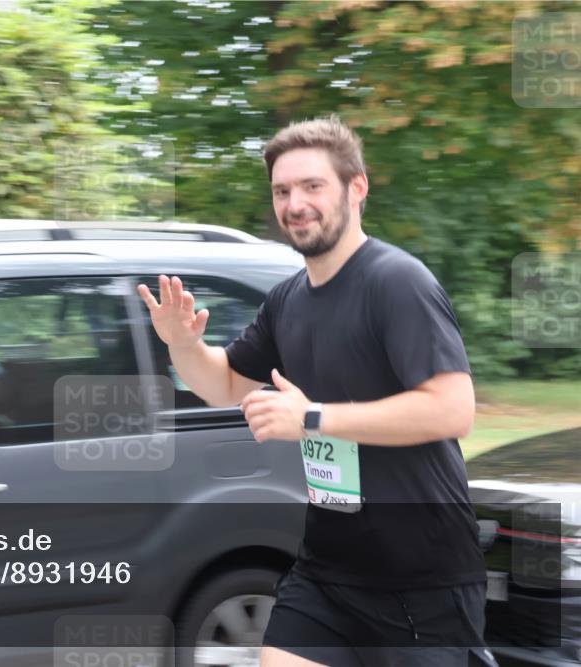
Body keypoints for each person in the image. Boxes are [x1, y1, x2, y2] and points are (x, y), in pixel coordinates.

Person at [137, 117, 488, 667]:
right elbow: (224, 384)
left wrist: (314, 419)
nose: (295, 203)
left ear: (357, 188)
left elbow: (453, 408)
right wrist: (182, 346)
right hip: (327, 572)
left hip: (422, 578)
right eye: (282, 191)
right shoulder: (287, 300)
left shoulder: (397, 282)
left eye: (312, 186)